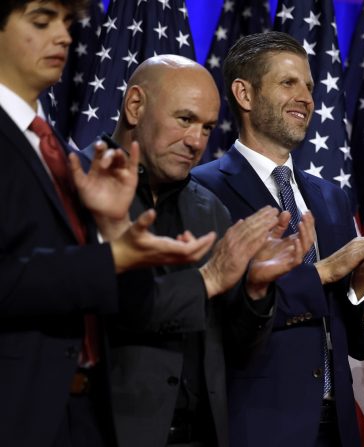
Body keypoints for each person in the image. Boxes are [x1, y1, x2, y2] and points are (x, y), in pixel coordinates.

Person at [0, 2, 216, 446]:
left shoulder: (48, 145)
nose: (63, 36)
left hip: (78, 418)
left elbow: (106, 303)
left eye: (66, 22)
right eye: (42, 21)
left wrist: (114, 229)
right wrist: (112, 256)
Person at [87, 54, 315, 447]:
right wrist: (208, 279)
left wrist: (256, 292)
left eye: (207, 128)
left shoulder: (209, 209)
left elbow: (236, 347)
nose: (196, 142)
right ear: (135, 106)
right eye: (185, 120)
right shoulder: (81, 190)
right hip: (102, 431)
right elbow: (107, 311)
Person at [191, 31, 364, 446]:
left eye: (309, 86)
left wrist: (363, 283)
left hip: (336, 426)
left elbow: (361, 344)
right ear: (244, 94)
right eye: (288, 83)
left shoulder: (330, 198)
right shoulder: (203, 191)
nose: (306, 97)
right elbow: (221, 313)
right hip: (255, 424)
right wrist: (322, 272)